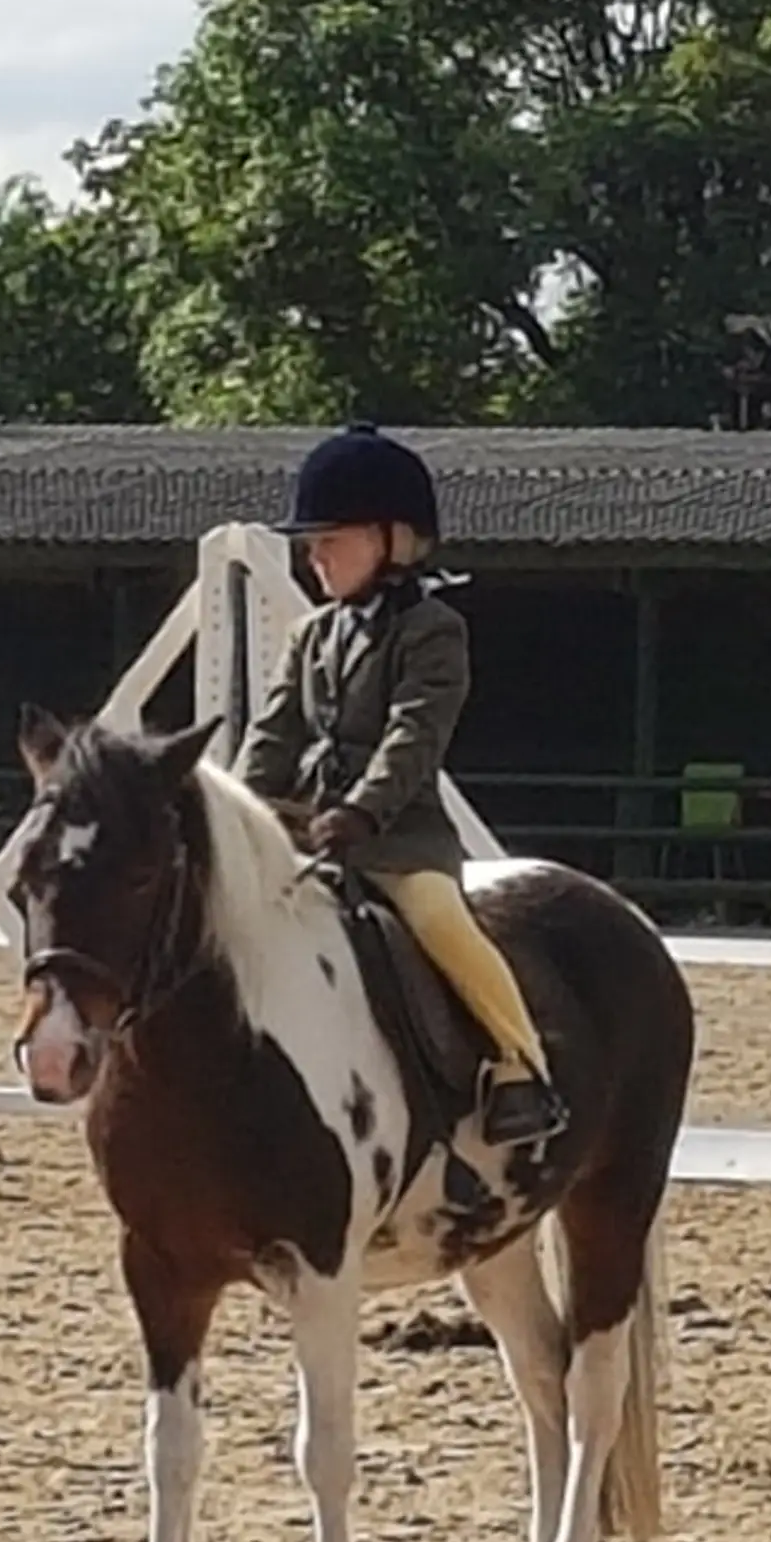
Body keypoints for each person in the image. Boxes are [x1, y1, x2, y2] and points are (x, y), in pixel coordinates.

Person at [235, 422, 568, 1152]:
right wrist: (235, 813)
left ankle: (520, 1065)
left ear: (393, 540)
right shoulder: (311, 635)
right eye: (312, 544)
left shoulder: (432, 630)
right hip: (308, 831)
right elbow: (273, 734)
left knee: (440, 921)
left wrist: (363, 809)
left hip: (399, 840)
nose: (315, 557)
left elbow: (414, 735)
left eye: (331, 540)